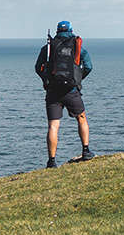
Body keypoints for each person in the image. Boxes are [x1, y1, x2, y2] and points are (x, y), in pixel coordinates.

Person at [35, 20, 94, 169]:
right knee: (81, 118)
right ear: (71, 31)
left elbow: (38, 67)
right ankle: (86, 151)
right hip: (72, 91)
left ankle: (52, 161)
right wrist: (77, 79)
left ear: (56, 32)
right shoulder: (77, 47)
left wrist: (47, 81)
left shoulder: (48, 48)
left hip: (53, 92)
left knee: (53, 126)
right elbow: (88, 67)